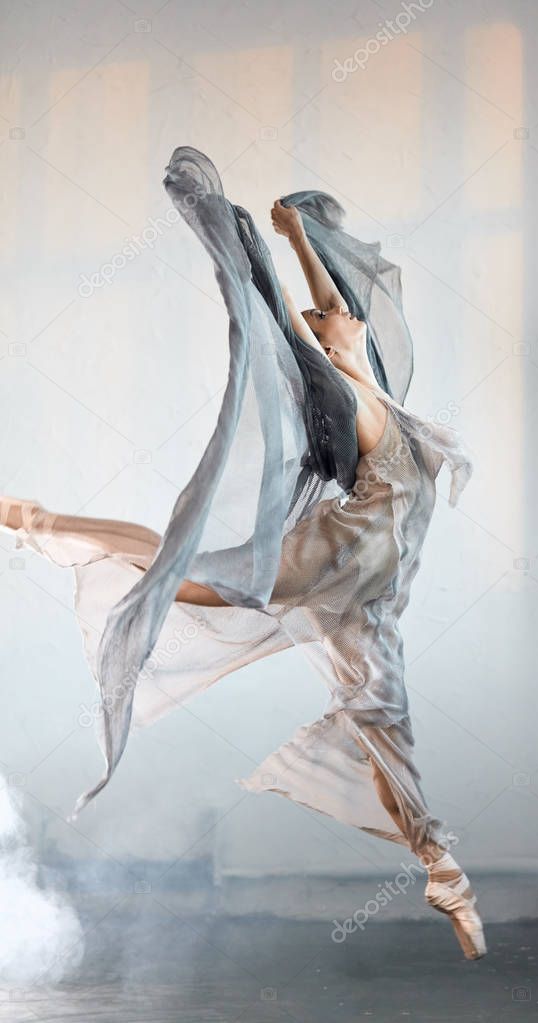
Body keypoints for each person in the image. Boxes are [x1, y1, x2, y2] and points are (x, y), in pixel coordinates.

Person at [0, 148, 485, 959]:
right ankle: (35, 520)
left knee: (383, 729)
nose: (341, 314)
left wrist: (297, 237)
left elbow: (335, 314)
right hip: (329, 564)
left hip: (365, 598)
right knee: (172, 578)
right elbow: (315, 335)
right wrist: (266, 256)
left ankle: (442, 869)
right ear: (338, 350)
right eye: (335, 323)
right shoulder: (364, 402)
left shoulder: (378, 399)